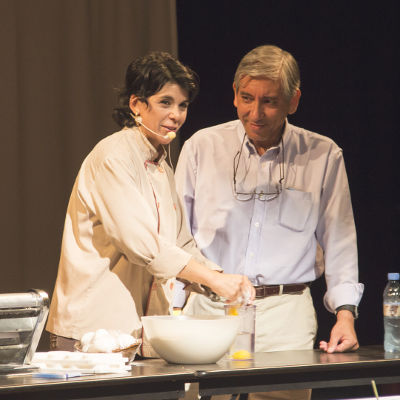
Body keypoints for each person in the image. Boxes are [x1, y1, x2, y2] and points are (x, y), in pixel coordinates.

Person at [175, 45, 364, 399]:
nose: (255, 113)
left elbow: (339, 239)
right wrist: (170, 307)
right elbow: (175, 234)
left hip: (285, 316)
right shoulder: (202, 146)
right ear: (234, 95)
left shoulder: (322, 155)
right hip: (208, 311)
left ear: (294, 101)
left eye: (270, 101)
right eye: (247, 98)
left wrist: (345, 315)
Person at [46, 51, 254, 356]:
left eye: (182, 105)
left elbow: (181, 243)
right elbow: (141, 243)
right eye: (165, 102)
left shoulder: (161, 166)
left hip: (138, 333)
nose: (177, 115)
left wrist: (222, 279)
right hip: (92, 333)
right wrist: (211, 279)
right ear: (136, 104)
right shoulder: (113, 156)